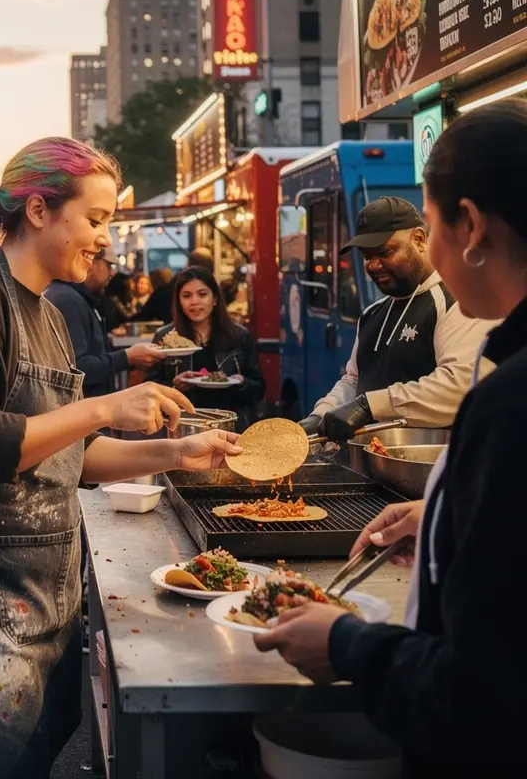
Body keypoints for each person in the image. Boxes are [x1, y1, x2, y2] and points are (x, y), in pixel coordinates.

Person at [0, 137, 240, 778]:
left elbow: (67, 456)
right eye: (97, 220)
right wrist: (105, 407)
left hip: (40, 593)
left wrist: (178, 452)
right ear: (38, 211)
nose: (105, 239)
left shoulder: (48, 314)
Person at [253, 102, 527, 774]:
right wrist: (442, 511)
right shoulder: (381, 315)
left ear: (471, 226)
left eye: (428, 226)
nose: (425, 253)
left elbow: (483, 693)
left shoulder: (507, 406)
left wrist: (347, 644)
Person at [298, 196, 494, 441]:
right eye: (367, 256)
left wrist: (370, 406)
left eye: (385, 252)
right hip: (370, 463)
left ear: (419, 240)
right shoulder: (372, 314)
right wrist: (322, 414)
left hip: (427, 465)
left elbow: (460, 386)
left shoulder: (457, 303)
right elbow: (355, 380)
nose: (374, 265)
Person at [157, 266, 266, 429]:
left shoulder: (239, 336)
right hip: (183, 426)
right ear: (179, 301)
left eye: (202, 294)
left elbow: (259, 388)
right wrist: (173, 387)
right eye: (186, 296)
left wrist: (241, 382)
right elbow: (151, 387)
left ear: (214, 298)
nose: (194, 302)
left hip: (232, 426)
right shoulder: (166, 338)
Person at [45, 253, 162, 399]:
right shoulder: (70, 301)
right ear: (92, 263)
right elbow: (77, 368)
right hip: (83, 411)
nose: (112, 273)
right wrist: (127, 357)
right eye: (109, 265)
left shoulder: (73, 297)